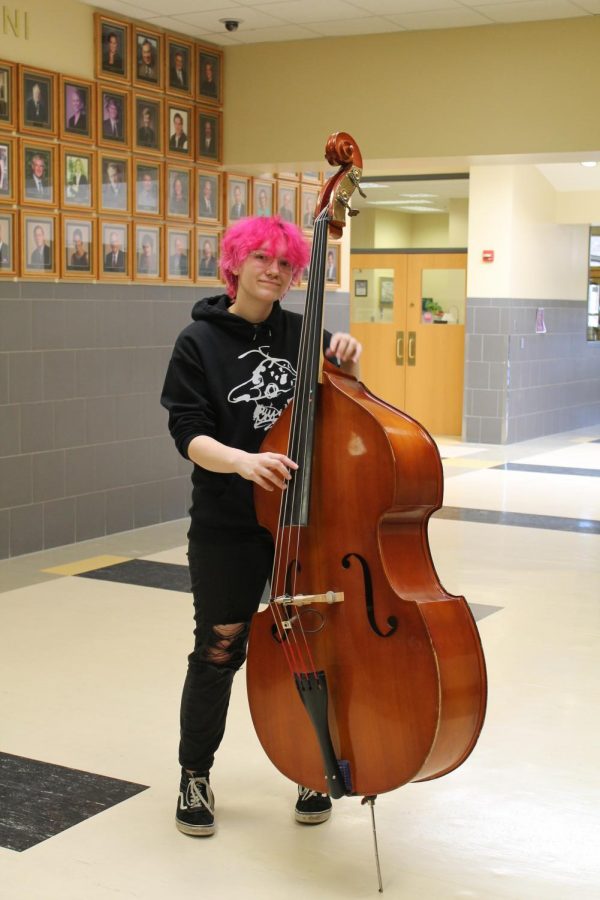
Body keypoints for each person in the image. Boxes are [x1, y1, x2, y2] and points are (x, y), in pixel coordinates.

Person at [160, 215, 361, 838]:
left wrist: (349, 362)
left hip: (305, 523)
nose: (275, 272)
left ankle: (311, 764)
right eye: (262, 260)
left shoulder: (306, 334)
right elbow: (188, 434)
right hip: (229, 523)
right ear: (236, 264)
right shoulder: (198, 342)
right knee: (221, 648)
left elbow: (348, 417)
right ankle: (195, 772)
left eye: (286, 264)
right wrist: (243, 461)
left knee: (312, 643)